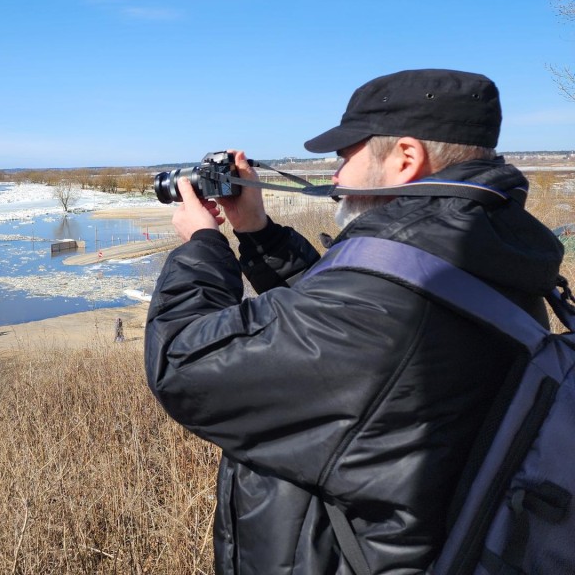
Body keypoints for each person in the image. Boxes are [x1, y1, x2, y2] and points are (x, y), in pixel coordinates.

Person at [144, 69, 565, 575]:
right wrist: (258, 233)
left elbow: (185, 365)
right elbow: (334, 316)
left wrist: (201, 244)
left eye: (346, 155)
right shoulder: (483, 251)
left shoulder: (389, 303)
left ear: (406, 159)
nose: (336, 174)